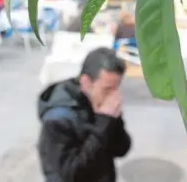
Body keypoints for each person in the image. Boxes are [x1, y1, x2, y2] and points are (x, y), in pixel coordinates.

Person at [37, 47, 131, 182]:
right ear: (86, 82)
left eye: (116, 88)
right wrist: (103, 123)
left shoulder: (100, 103)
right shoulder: (58, 119)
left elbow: (122, 149)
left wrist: (115, 120)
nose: (113, 95)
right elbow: (70, 175)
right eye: (107, 89)